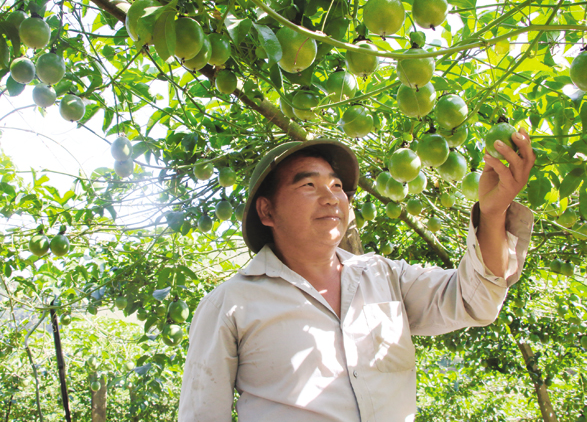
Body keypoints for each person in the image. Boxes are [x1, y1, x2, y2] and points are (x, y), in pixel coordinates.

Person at [178, 132, 536, 421]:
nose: (331, 198)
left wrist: (492, 212)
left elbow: (476, 301)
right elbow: (201, 414)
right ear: (267, 210)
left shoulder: (385, 277)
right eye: (309, 186)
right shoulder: (232, 303)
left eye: (337, 187)